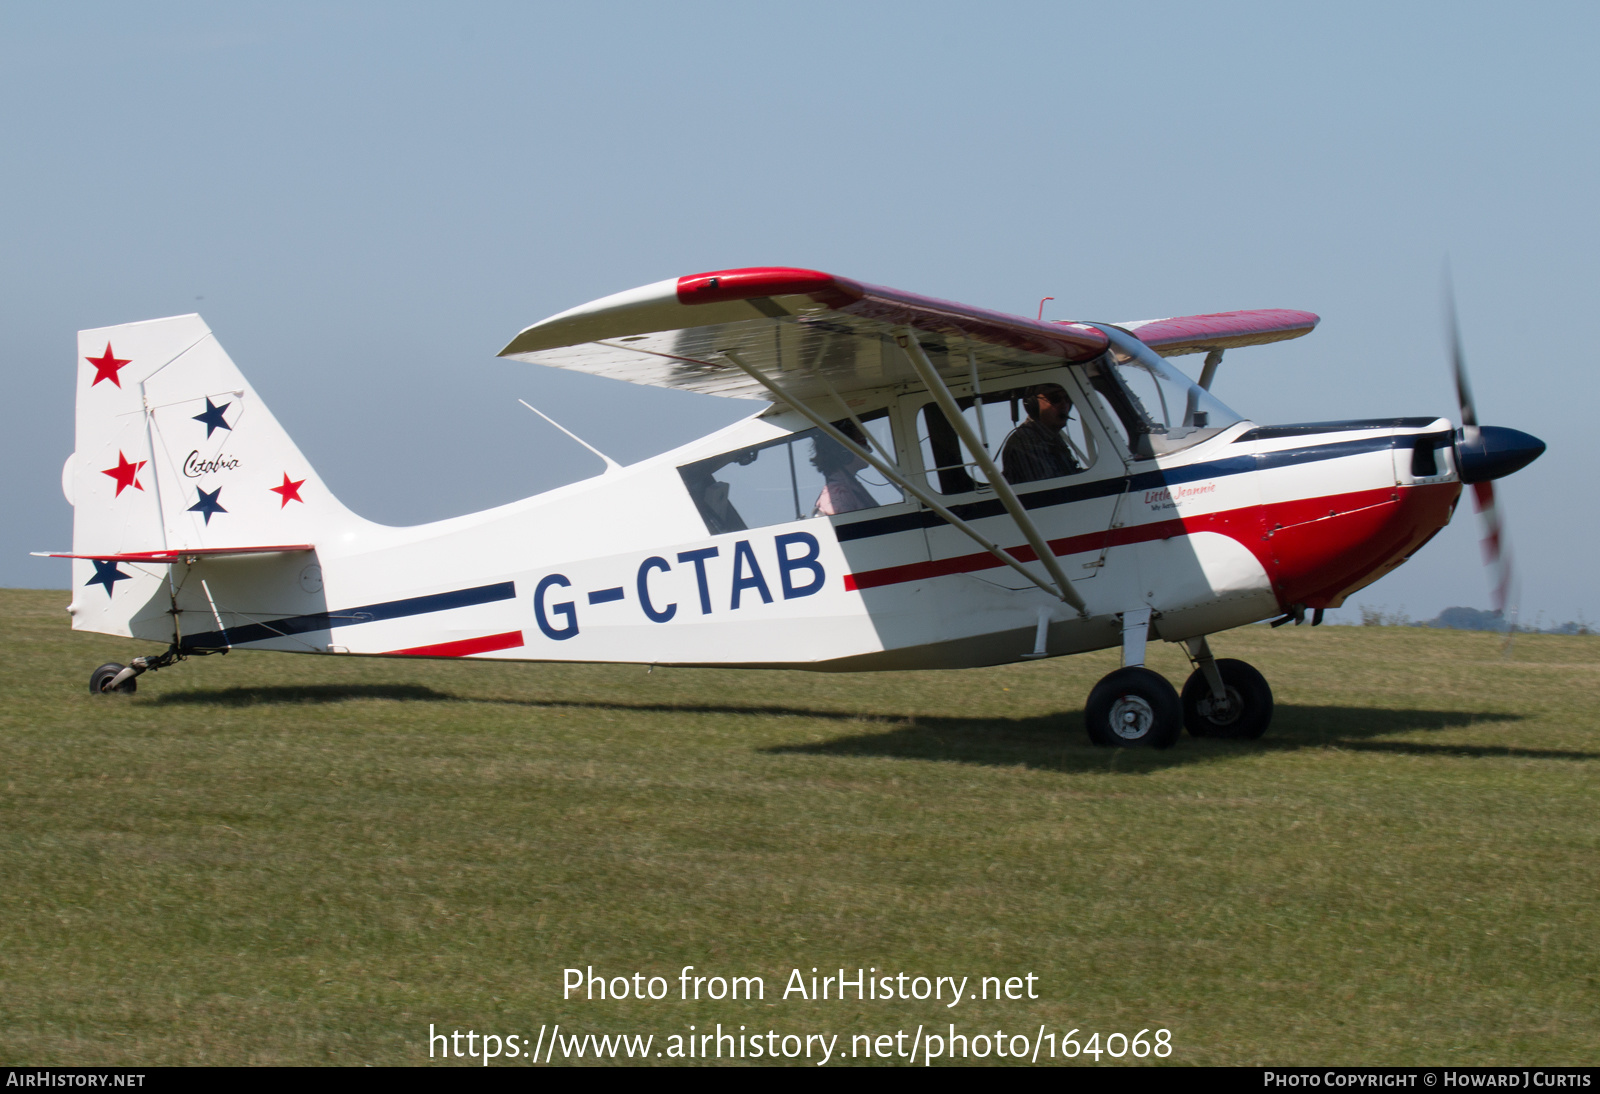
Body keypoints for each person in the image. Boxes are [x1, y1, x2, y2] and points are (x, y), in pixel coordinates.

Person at [1001, 383, 1081, 484]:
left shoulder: (1050, 437)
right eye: (1055, 399)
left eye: (1067, 398)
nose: (1064, 405)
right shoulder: (1026, 440)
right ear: (1033, 405)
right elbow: (1051, 489)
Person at [812, 421, 880, 516]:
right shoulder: (839, 495)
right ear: (844, 451)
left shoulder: (850, 487)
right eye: (863, 443)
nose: (870, 449)